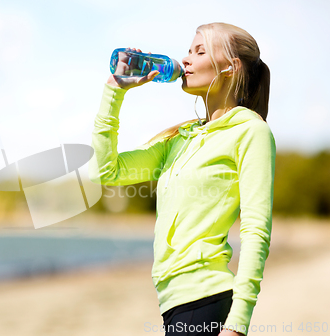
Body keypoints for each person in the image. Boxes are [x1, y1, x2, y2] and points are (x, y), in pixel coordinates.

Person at [89, 22, 275, 336]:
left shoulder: (250, 131)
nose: (186, 60)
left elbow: (256, 229)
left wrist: (237, 323)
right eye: (188, 51)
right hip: (173, 303)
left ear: (231, 67)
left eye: (199, 51)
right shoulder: (179, 138)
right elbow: (106, 172)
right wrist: (114, 91)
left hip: (207, 300)